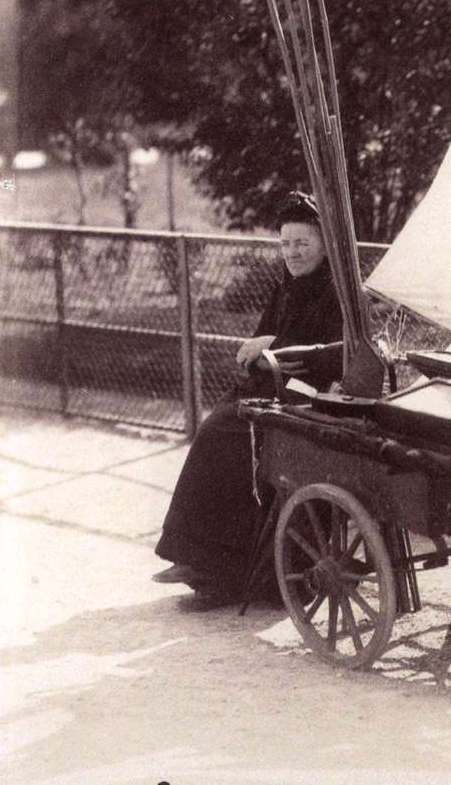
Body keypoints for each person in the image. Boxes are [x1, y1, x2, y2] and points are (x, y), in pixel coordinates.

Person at [152, 191, 343, 607]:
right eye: (285, 244)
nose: (292, 253)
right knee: (217, 427)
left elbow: (331, 355)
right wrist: (264, 350)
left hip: (310, 395)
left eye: (302, 243)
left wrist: (272, 344)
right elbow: (255, 356)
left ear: (325, 245)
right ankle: (204, 563)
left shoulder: (337, 291)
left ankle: (221, 572)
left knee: (222, 435)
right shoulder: (285, 289)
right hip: (273, 387)